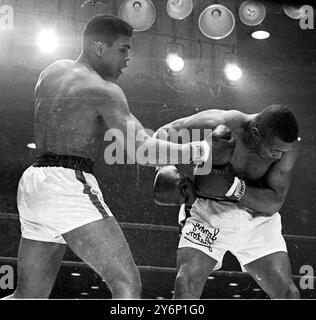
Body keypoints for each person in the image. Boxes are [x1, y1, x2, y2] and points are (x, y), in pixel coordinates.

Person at [4, 15, 213, 299]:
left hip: (33, 185)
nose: (127, 59)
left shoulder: (50, 72)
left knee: (27, 297)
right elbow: (143, 150)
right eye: (123, 49)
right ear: (99, 48)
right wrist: (196, 150)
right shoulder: (104, 90)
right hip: (67, 184)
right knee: (127, 286)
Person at [153, 105, 301, 299]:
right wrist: (164, 168)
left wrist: (232, 187)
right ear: (256, 133)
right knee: (186, 283)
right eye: (274, 150)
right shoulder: (220, 123)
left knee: (288, 294)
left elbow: (274, 202)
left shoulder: (286, 146)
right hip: (208, 212)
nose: (279, 156)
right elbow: (163, 133)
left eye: (283, 152)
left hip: (257, 218)